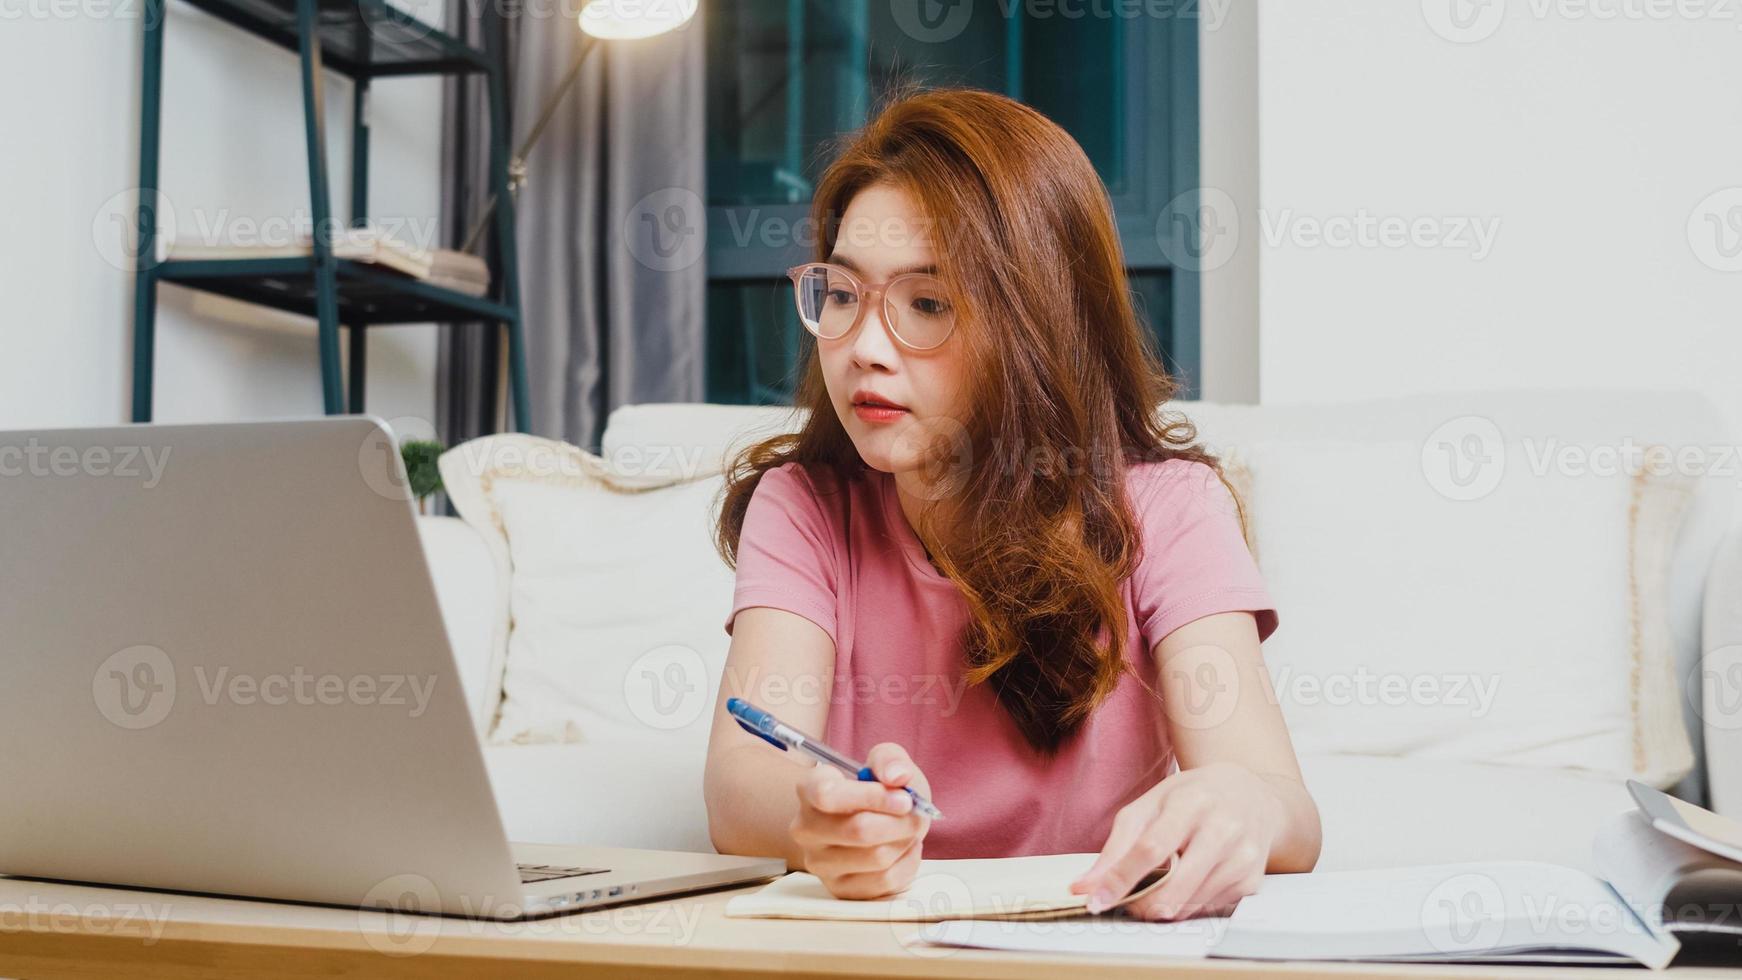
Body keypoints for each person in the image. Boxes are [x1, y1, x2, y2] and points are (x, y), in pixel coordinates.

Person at [703, 86, 1320, 922]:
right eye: (842, 295)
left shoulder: (1171, 508)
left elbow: (1286, 809)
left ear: (1037, 322)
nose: (865, 351)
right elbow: (741, 786)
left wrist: (1243, 807)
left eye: (928, 303)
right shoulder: (807, 505)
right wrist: (816, 816)